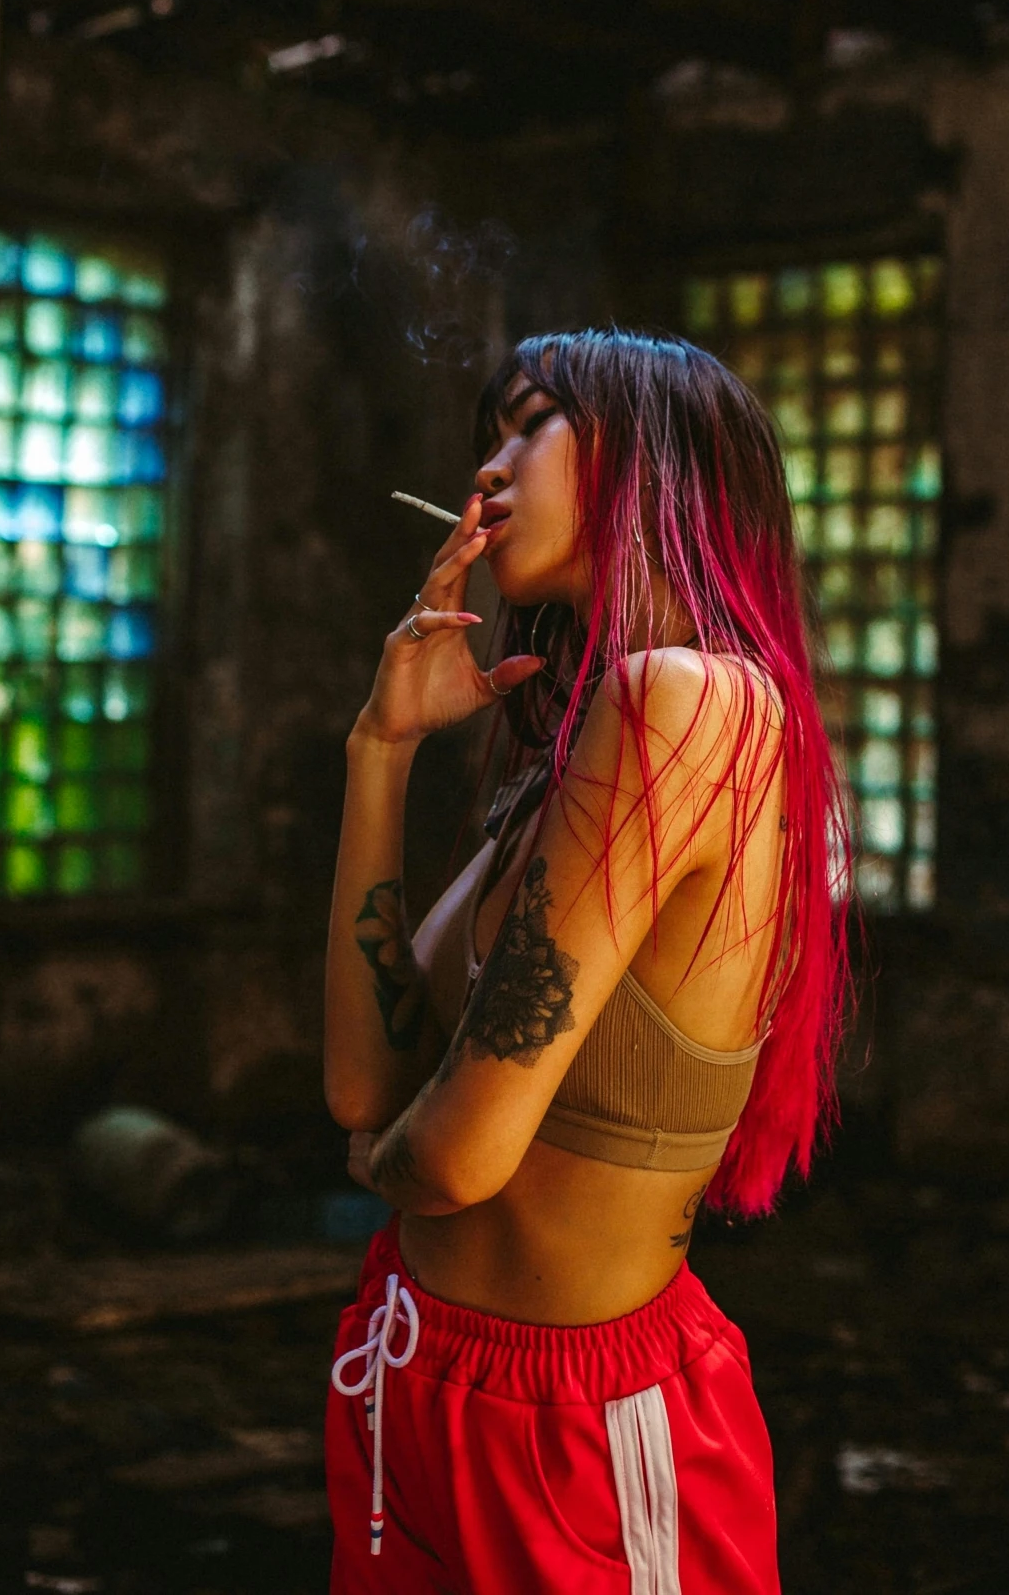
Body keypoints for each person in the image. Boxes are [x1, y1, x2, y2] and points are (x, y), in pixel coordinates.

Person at [323, 328, 850, 1593]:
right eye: (485, 437)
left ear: (654, 461)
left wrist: (388, 1158)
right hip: (414, 1362)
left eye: (531, 423)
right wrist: (379, 750)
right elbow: (362, 1089)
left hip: (581, 1432)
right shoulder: (565, 745)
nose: (488, 473)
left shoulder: (695, 702)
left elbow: (447, 1153)